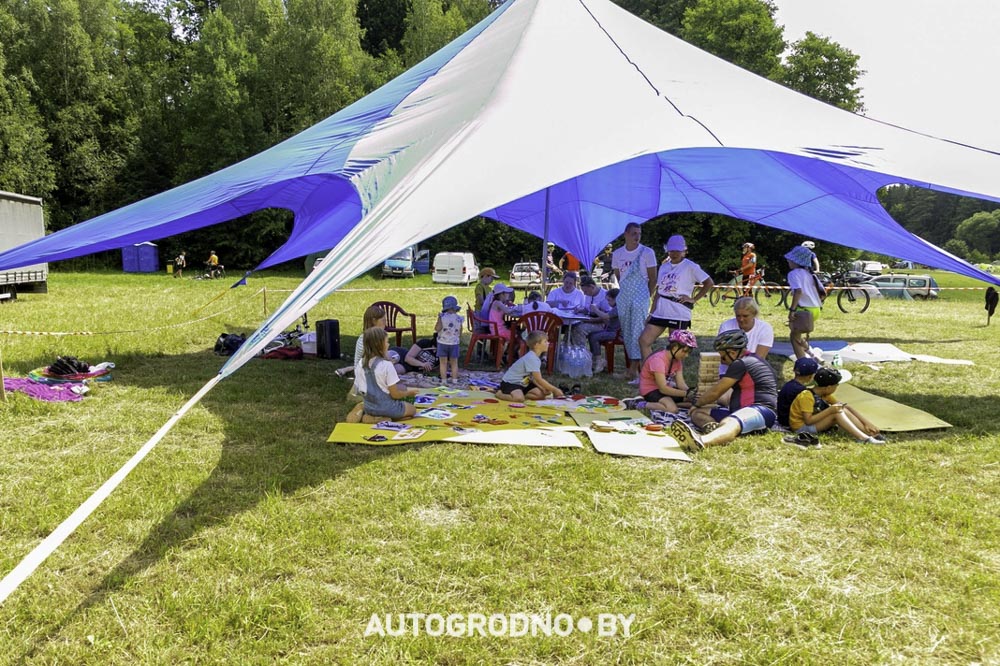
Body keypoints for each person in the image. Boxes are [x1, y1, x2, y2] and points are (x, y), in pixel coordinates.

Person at [670, 330, 777, 453]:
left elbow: (716, 392)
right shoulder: (751, 359)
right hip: (742, 411)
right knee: (698, 413)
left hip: (760, 410)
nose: (721, 360)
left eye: (722, 356)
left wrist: (696, 403)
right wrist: (697, 407)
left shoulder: (741, 363)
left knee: (730, 421)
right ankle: (717, 432)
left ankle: (702, 441)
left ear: (732, 352)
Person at [637, 234, 713, 363]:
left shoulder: (691, 266)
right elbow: (659, 291)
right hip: (661, 311)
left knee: (676, 347)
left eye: (678, 250)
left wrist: (693, 299)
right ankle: (650, 373)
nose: (674, 253)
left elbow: (708, 282)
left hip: (678, 312)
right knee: (644, 340)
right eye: (671, 250)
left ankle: (673, 377)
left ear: (684, 251)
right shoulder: (664, 266)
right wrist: (652, 312)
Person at [779, 364, 886, 447]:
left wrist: (867, 423)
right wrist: (830, 410)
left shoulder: (824, 394)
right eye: (836, 386)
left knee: (841, 410)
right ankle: (863, 439)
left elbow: (845, 407)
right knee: (836, 414)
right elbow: (808, 421)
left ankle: (871, 434)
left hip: (813, 423)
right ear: (828, 387)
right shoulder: (807, 396)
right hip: (801, 427)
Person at [611, 222, 658, 380]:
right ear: (626, 234)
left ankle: (635, 370)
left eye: (639, 233)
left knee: (637, 331)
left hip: (640, 295)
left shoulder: (647, 252)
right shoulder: (617, 254)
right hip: (624, 296)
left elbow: (653, 278)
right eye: (633, 233)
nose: (637, 237)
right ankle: (634, 369)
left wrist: (646, 296)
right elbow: (619, 276)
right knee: (627, 332)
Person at [359, 327, 419, 422]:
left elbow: (361, 389)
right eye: (386, 342)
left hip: (369, 407)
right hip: (386, 407)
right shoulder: (386, 365)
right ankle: (389, 418)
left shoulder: (361, 363)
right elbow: (395, 394)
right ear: (379, 345)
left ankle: (373, 417)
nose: (388, 344)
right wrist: (408, 393)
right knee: (412, 409)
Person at [637, 330, 698, 414]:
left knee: (694, 403)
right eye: (684, 351)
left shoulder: (677, 360)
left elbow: (681, 384)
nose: (686, 355)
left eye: (688, 352)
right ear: (675, 347)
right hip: (651, 390)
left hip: (664, 389)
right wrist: (686, 394)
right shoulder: (658, 360)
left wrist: (692, 393)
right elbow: (663, 389)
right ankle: (639, 404)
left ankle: (667, 404)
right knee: (672, 409)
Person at [497, 330, 565, 401]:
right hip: (511, 383)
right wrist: (555, 390)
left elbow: (533, 378)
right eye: (545, 342)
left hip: (524, 383)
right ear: (537, 345)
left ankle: (521, 393)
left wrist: (542, 388)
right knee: (519, 399)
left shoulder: (535, 358)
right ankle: (500, 394)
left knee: (541, 395)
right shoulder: (531, 358)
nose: (548, 343)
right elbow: (539, 379)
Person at [785, 245, 825, 359]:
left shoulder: (793, 274)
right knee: (797, 336)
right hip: (816, 309)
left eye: (789, 259)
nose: (788, 261)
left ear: (795, 260)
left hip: (804, 309)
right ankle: (812, 355)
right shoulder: (810, 274)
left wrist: (792, 310)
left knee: (794, 338)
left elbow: (798, 291)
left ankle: (803, 364)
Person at [717, 297, 774, 375]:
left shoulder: (765, 328)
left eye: (745, 316)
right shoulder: (726, 326)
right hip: (726, 372)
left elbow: (759, 358)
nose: (741, 319)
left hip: (752, 373)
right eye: (738, 316)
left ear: (754, 314)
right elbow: (723, 357)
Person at [570, 275, 612, 347]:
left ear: (592, 287)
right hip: (591, 320)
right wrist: (580, 310)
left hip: (602, 325)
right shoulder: (588, 295)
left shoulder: (605, 296)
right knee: (570, 328)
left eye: (585, 291)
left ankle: (581, 352)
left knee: (579, 329)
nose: (584, 293)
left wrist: (592, 320)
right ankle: (569, 351)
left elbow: (607, 317)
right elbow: (588, 310)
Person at [588, 288, 620, 373]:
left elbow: (605, 316)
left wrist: (595, 309)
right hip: (610, 330)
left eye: (609, 300)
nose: (608, 303)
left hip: (615, 333)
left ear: (616, 299)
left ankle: (599, 361)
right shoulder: (614, 308)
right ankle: (595, 359)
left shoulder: (618, 308)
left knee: (595, 337)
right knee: (591, 335)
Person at [436, 295, 464, 384]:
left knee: (443, 363)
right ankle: (454, 380)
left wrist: (439, 319)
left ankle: (444, 380)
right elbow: (460, 331)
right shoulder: (459, 318)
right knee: (454, 363)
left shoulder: (442, 316)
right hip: (454, 343)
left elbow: (438, 328)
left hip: (442, 342)